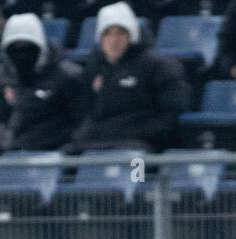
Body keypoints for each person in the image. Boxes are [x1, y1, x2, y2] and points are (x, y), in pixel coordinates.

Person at [68, 1, 188, 153]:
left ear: (132, 35)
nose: (114, 40)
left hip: (140, 147)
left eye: (121, 32)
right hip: (97, 144)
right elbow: (85, 111)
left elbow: (169, 118)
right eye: (107, 33)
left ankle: (138, 177)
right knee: (66, 158)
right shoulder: (94, 67)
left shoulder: (159, 66)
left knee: (136, 172)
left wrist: (133, 134)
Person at [0, 12, 86, 152]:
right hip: (17, 152)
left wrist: (68, 149)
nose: (22, 54)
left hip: (57, 150)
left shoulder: (67, 75)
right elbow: (3, 120)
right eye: (15, 47)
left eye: (27, 46)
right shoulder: (2, 77)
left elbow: (81, 120)